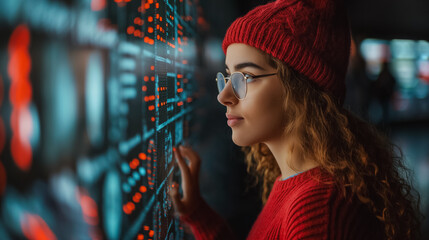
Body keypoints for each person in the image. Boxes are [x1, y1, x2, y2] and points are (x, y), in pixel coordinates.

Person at [168, 0, 422, 239]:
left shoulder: (316, 210)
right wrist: (198, 214)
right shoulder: (297, 182)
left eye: (245, 77)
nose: (224, 96)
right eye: (227, 76)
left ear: (299, 89)